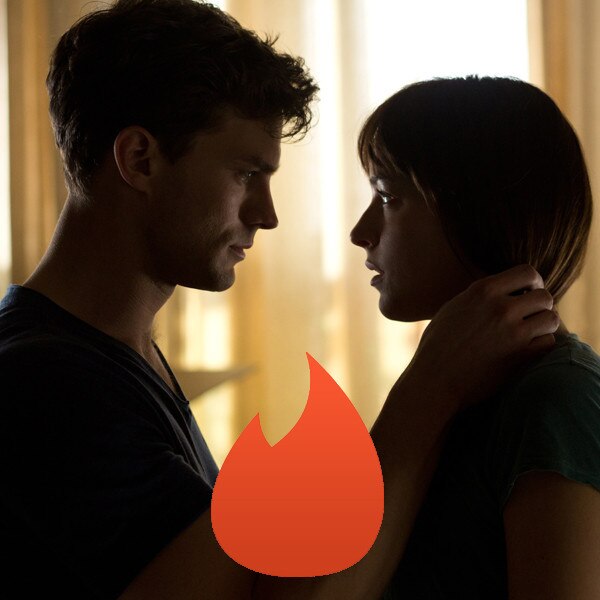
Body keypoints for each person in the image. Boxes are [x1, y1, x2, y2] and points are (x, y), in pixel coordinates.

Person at [0, 1, 558, 597]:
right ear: (140, 159)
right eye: (246, 174)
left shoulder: (111, 358)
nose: (266, 215)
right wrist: (430, 389)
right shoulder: (46, 383)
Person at [351, 75, 600, 600]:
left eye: (388, 196)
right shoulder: (458, 389)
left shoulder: (556, 399)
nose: (360, 232)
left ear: (478, 211)